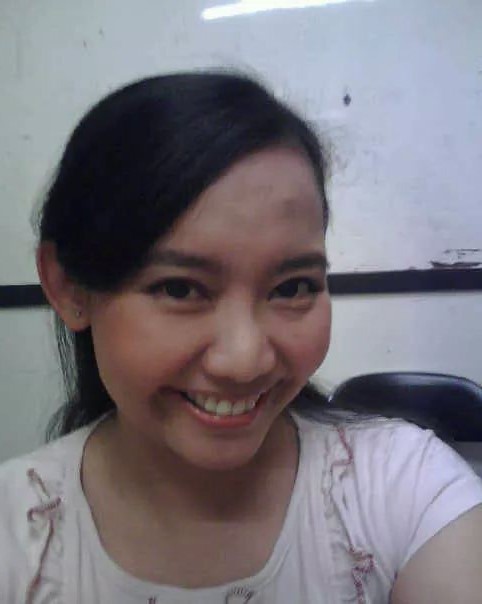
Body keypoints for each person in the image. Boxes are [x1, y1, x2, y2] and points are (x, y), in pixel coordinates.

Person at [1, 71, 481, 604]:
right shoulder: (16, 538)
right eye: (180, 289)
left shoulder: (404, 487)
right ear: (70, 288)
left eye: (292, 287)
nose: (245, 360)